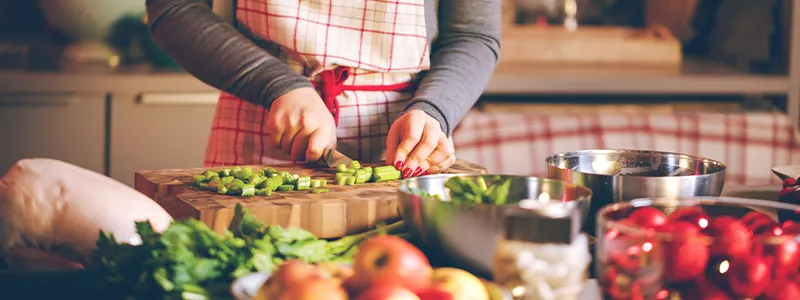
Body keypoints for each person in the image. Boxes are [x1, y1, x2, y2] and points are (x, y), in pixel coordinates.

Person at [145, 0, 500, 178]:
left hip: (403, 141)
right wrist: (278, 84)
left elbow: (471, 34)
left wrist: (433, 110)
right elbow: (174, 9)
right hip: (262, 121)